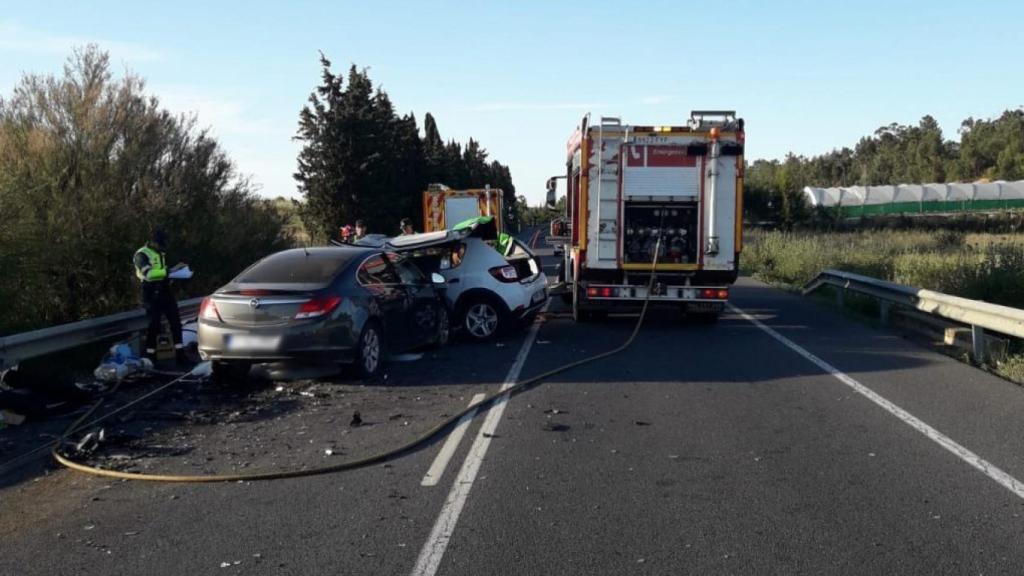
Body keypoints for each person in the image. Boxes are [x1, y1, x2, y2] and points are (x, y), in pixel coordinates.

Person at [133, 229, 186, 364]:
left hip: (164, 291)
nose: (162, 246)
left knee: (175, 323)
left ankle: (180, 354)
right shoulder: (141, 255)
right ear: (153, 242)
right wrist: (171, 271)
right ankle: (151, 356)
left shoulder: (159, 253)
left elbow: (160, 272)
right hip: (151, 293)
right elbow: (149, 274)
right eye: (160, 243)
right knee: (154, 324)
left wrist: (175, 273)